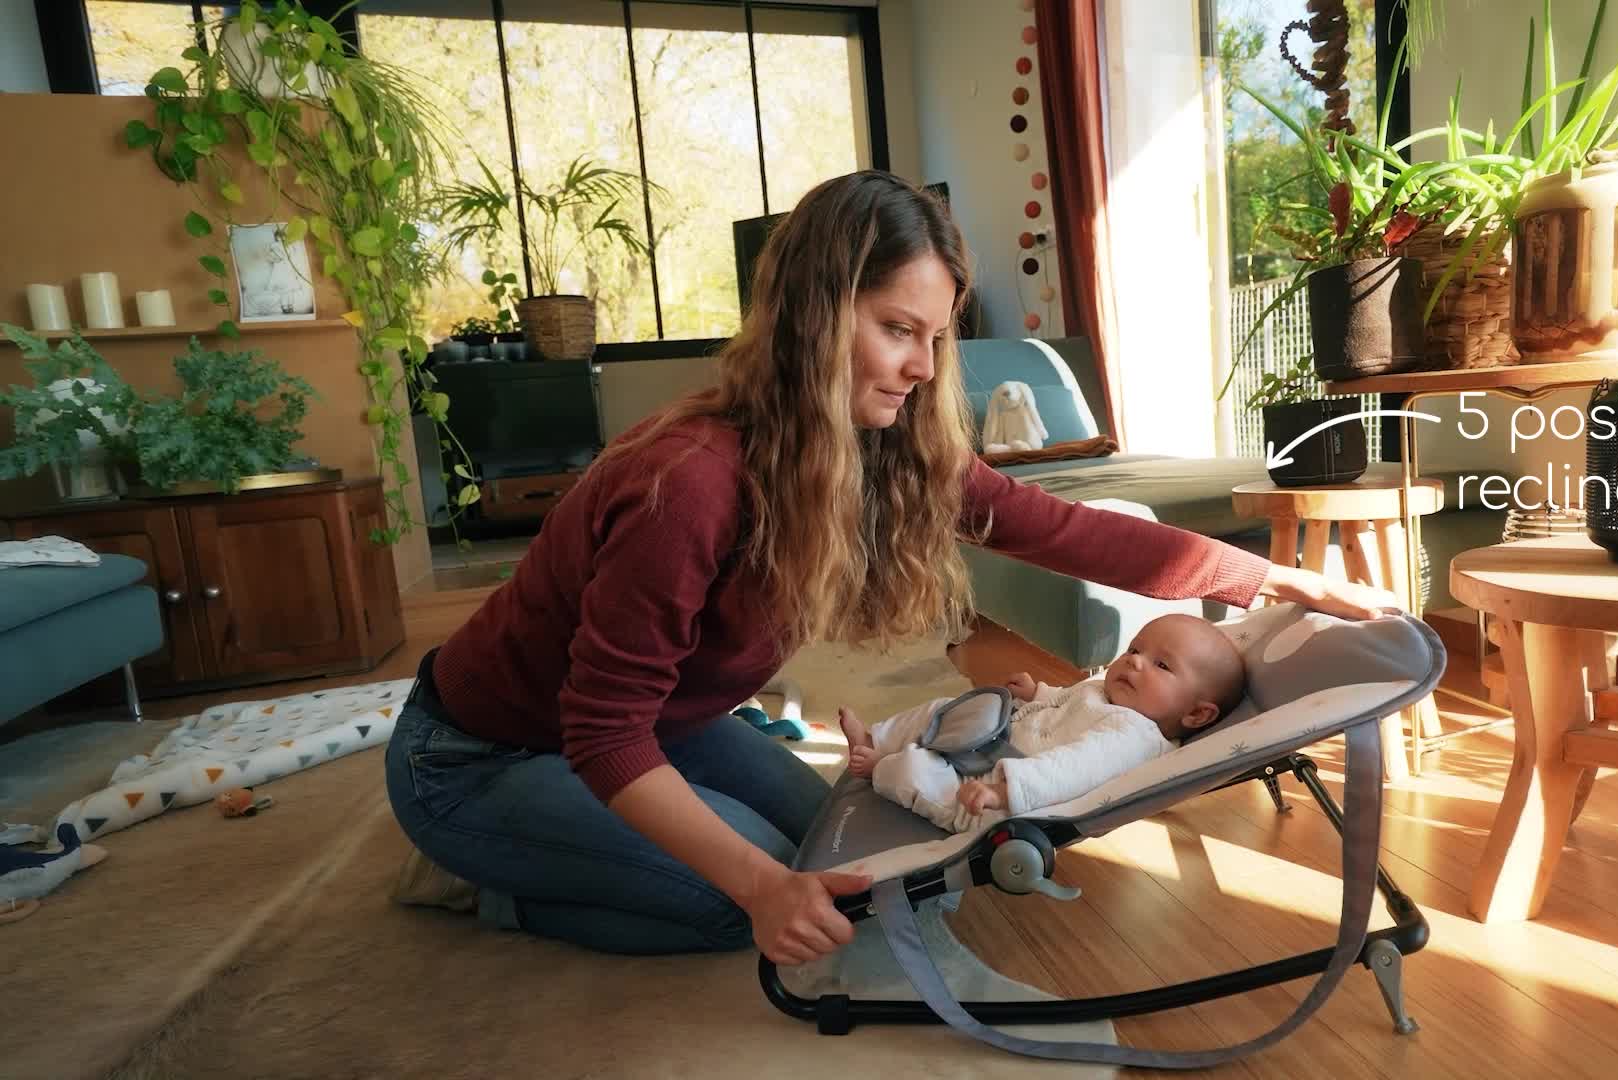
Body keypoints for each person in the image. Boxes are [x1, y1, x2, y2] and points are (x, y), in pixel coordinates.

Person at [383, 170, 1395, 969]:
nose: (922, 367)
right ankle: (492, 883)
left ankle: (593, 851)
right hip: (481, 755)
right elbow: (602, 732)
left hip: (664, 725)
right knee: (746, 899)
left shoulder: (883, 449)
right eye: (897, 329)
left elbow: (1061, 529)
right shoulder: (685, 483)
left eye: (935, 338)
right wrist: (759, 889)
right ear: (812, 318)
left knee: (849, 852)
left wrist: (1279, 583)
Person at [838, 614, 1245, 832]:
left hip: (991, 794)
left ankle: (881, 768)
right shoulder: (1108, 692)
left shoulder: (1134, 738)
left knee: (916, 770)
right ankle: (875, 738)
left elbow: (1071, 770)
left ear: (1196, 714)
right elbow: (1071, 700)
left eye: (1162, 665)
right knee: (945, 708)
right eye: (1135, 649)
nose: (1135, 661)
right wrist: (1038, 693)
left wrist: (1003, 792)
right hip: (997, 737)